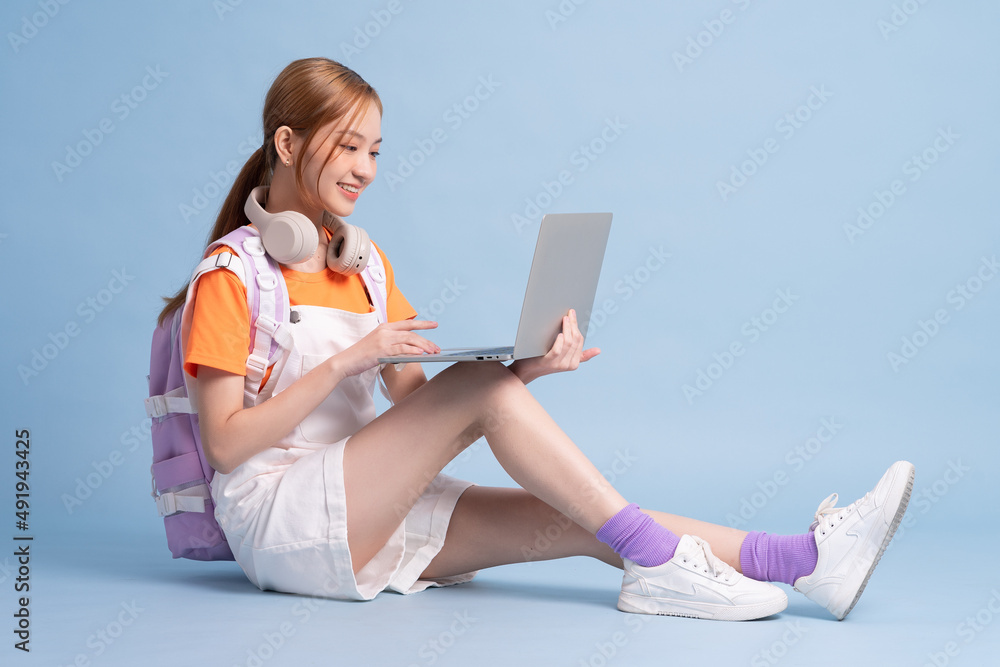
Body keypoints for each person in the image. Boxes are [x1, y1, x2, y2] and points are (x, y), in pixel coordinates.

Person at [159, 57, 914, 621]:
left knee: (578, 519)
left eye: (376, 150)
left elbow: (425, 417)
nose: (365, 169)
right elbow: (225, 446)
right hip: (282, 517)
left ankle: (809, 560)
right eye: (348, 146)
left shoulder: (361, 264)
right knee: (494, 403)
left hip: (362, 497)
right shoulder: (233, 274)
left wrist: (526, 373)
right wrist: (351, 362)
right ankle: (658, 565)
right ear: (288, 144)